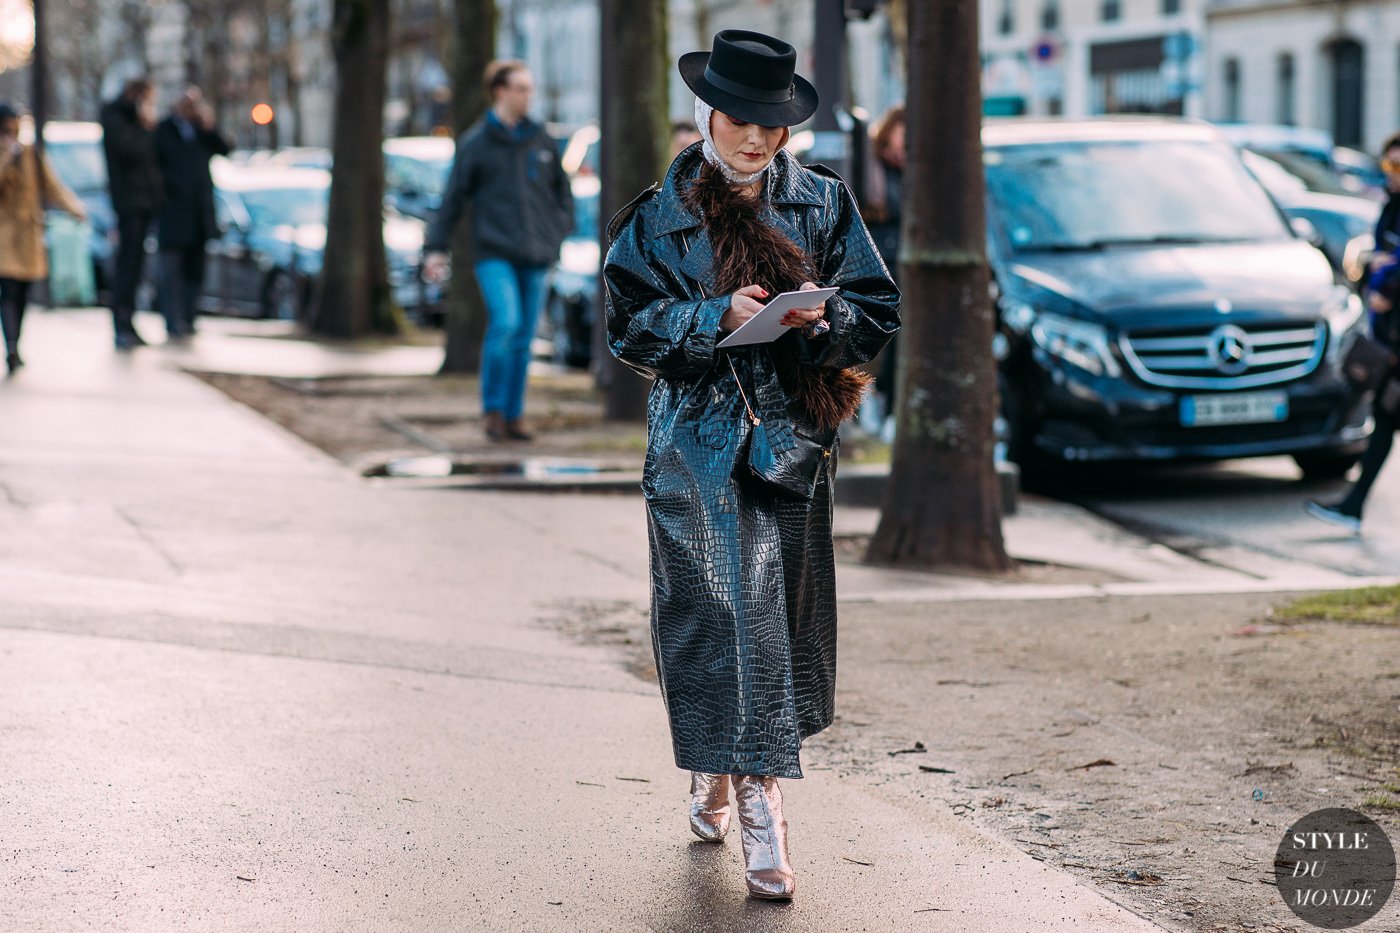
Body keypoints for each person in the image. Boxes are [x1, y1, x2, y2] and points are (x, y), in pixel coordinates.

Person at [603, 30, 900, 900]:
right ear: (708, 114)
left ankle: (723, 768)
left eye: (770, 124)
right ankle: (756, 798)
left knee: (780, 618)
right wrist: (710, 316)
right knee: (717, 612)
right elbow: (628, 326)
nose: (755, 140)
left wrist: (824, 321)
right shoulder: (657, 215)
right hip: (695, 446)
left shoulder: (823, 202)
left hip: (792, 443)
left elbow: (875, 305)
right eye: (739, 120)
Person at [424, 60, 572, 442]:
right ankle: (492, 411)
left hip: (537, 251)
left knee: (525, 334)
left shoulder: (540, 138)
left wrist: (557, 232)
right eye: (521, 88)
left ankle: (513, 414)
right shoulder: (476, 143)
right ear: (500, 91)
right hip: (494, 252)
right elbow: (453, 198)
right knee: (505, 323)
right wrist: (435, 248)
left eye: (530, 88)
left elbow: (562, 193)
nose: (528, 95)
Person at [1307, 131, 1400, 533]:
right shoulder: (1391, 208)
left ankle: (1353, 505)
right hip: (1390, 337)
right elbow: (1372, 260)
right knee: (1383, 418)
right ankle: (1353, 505)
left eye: (1398, 167)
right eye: (1388, 165)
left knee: (1384, 418)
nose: (1392, 174)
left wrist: (1385, 281)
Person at [0, 102, 88, 375]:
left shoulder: (29, 154)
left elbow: (51, 184)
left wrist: (74, 208)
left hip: (28, 233)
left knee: (23, 291)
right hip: (4, 235)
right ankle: (11, 345)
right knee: (8, 290)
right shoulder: (6, 153)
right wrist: (5, 154)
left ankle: (16, 343)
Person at [153, 87, 230, 340]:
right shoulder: (164, 130)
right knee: (171, 272)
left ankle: (189, 317)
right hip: (173, 213)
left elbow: (225, 148)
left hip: (199, 215)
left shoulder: (201, 131)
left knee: (195, 271)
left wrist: (209, 125)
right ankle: (173, 320)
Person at [100, 78, 163, 350]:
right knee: (128, 263)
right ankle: (122, 322)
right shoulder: (117, 118)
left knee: (137, 265)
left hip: (145, 201)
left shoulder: (132, 121)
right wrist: (146, 125)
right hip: (129, 201)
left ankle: (129, 321)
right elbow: (131, 151)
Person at [862, 104, 905, 433]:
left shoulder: (912, 171)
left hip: (900, 263)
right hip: (877, 260)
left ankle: (887, 402)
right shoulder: (870, 166)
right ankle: (872, 400)